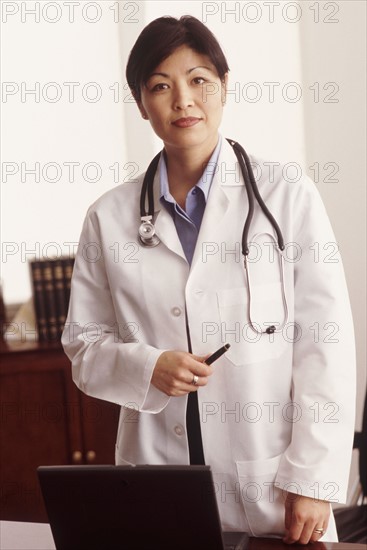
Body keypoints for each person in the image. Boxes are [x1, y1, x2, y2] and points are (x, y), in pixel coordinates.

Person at [62, 15, 356, 544]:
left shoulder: (286, 195)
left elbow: (325, 340)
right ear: (140, 102)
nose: (183, 100)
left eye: (199, 79)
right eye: (161, 86)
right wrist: (147, 366)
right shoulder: (107, 218)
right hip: (158, 481)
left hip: (273, 487)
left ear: (224, 85)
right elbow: (83, 347)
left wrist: (313, 477)